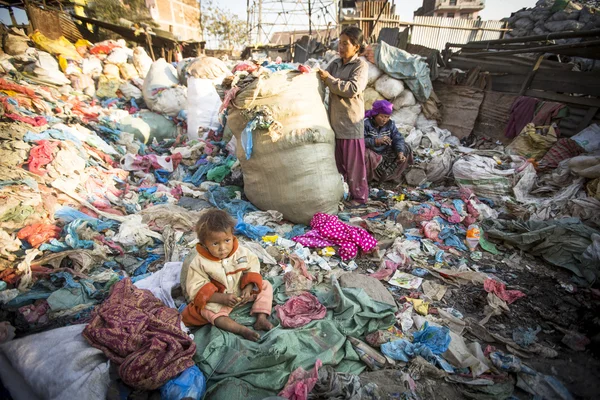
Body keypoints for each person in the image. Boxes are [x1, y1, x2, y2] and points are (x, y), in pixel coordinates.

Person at [180, 209, 273, 341]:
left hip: (240, 292)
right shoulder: (199, 262)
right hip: (218, 300)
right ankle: (241, 330)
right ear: (204, 244)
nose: (223, 248)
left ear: (232, 236)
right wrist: (222, 299)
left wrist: (248, 288)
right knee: (207, 311)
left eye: (227, 240)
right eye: (215, 243)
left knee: (265, 285)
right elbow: (196, 289)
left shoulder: (241, 252)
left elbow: (252, 265)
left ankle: (261, 318)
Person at [317, 26, 369, 206]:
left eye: (345, 43)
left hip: (350, 123)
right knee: (338, 166)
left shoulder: (360, 65)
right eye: (339, 43)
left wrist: (329, 80)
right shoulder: (335, 63)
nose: (340, 47)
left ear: (356, 46)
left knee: (354, 167)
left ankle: (360, 198)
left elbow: (353, 89)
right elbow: (321, 76)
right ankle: (342, 193)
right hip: (334, 124)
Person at [364, 100, 413, 183]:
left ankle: (389, 173)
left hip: (385, 152)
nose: (384, 120)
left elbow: (398, 138)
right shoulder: (366, 123)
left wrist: (400, 152)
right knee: (366, 154)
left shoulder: (390, 124)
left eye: (387, 117)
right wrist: (376, 141)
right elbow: (359, 141)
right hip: (373, 152)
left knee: (405, 147)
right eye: (382, 116)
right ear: (375, 114)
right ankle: (371, 177)